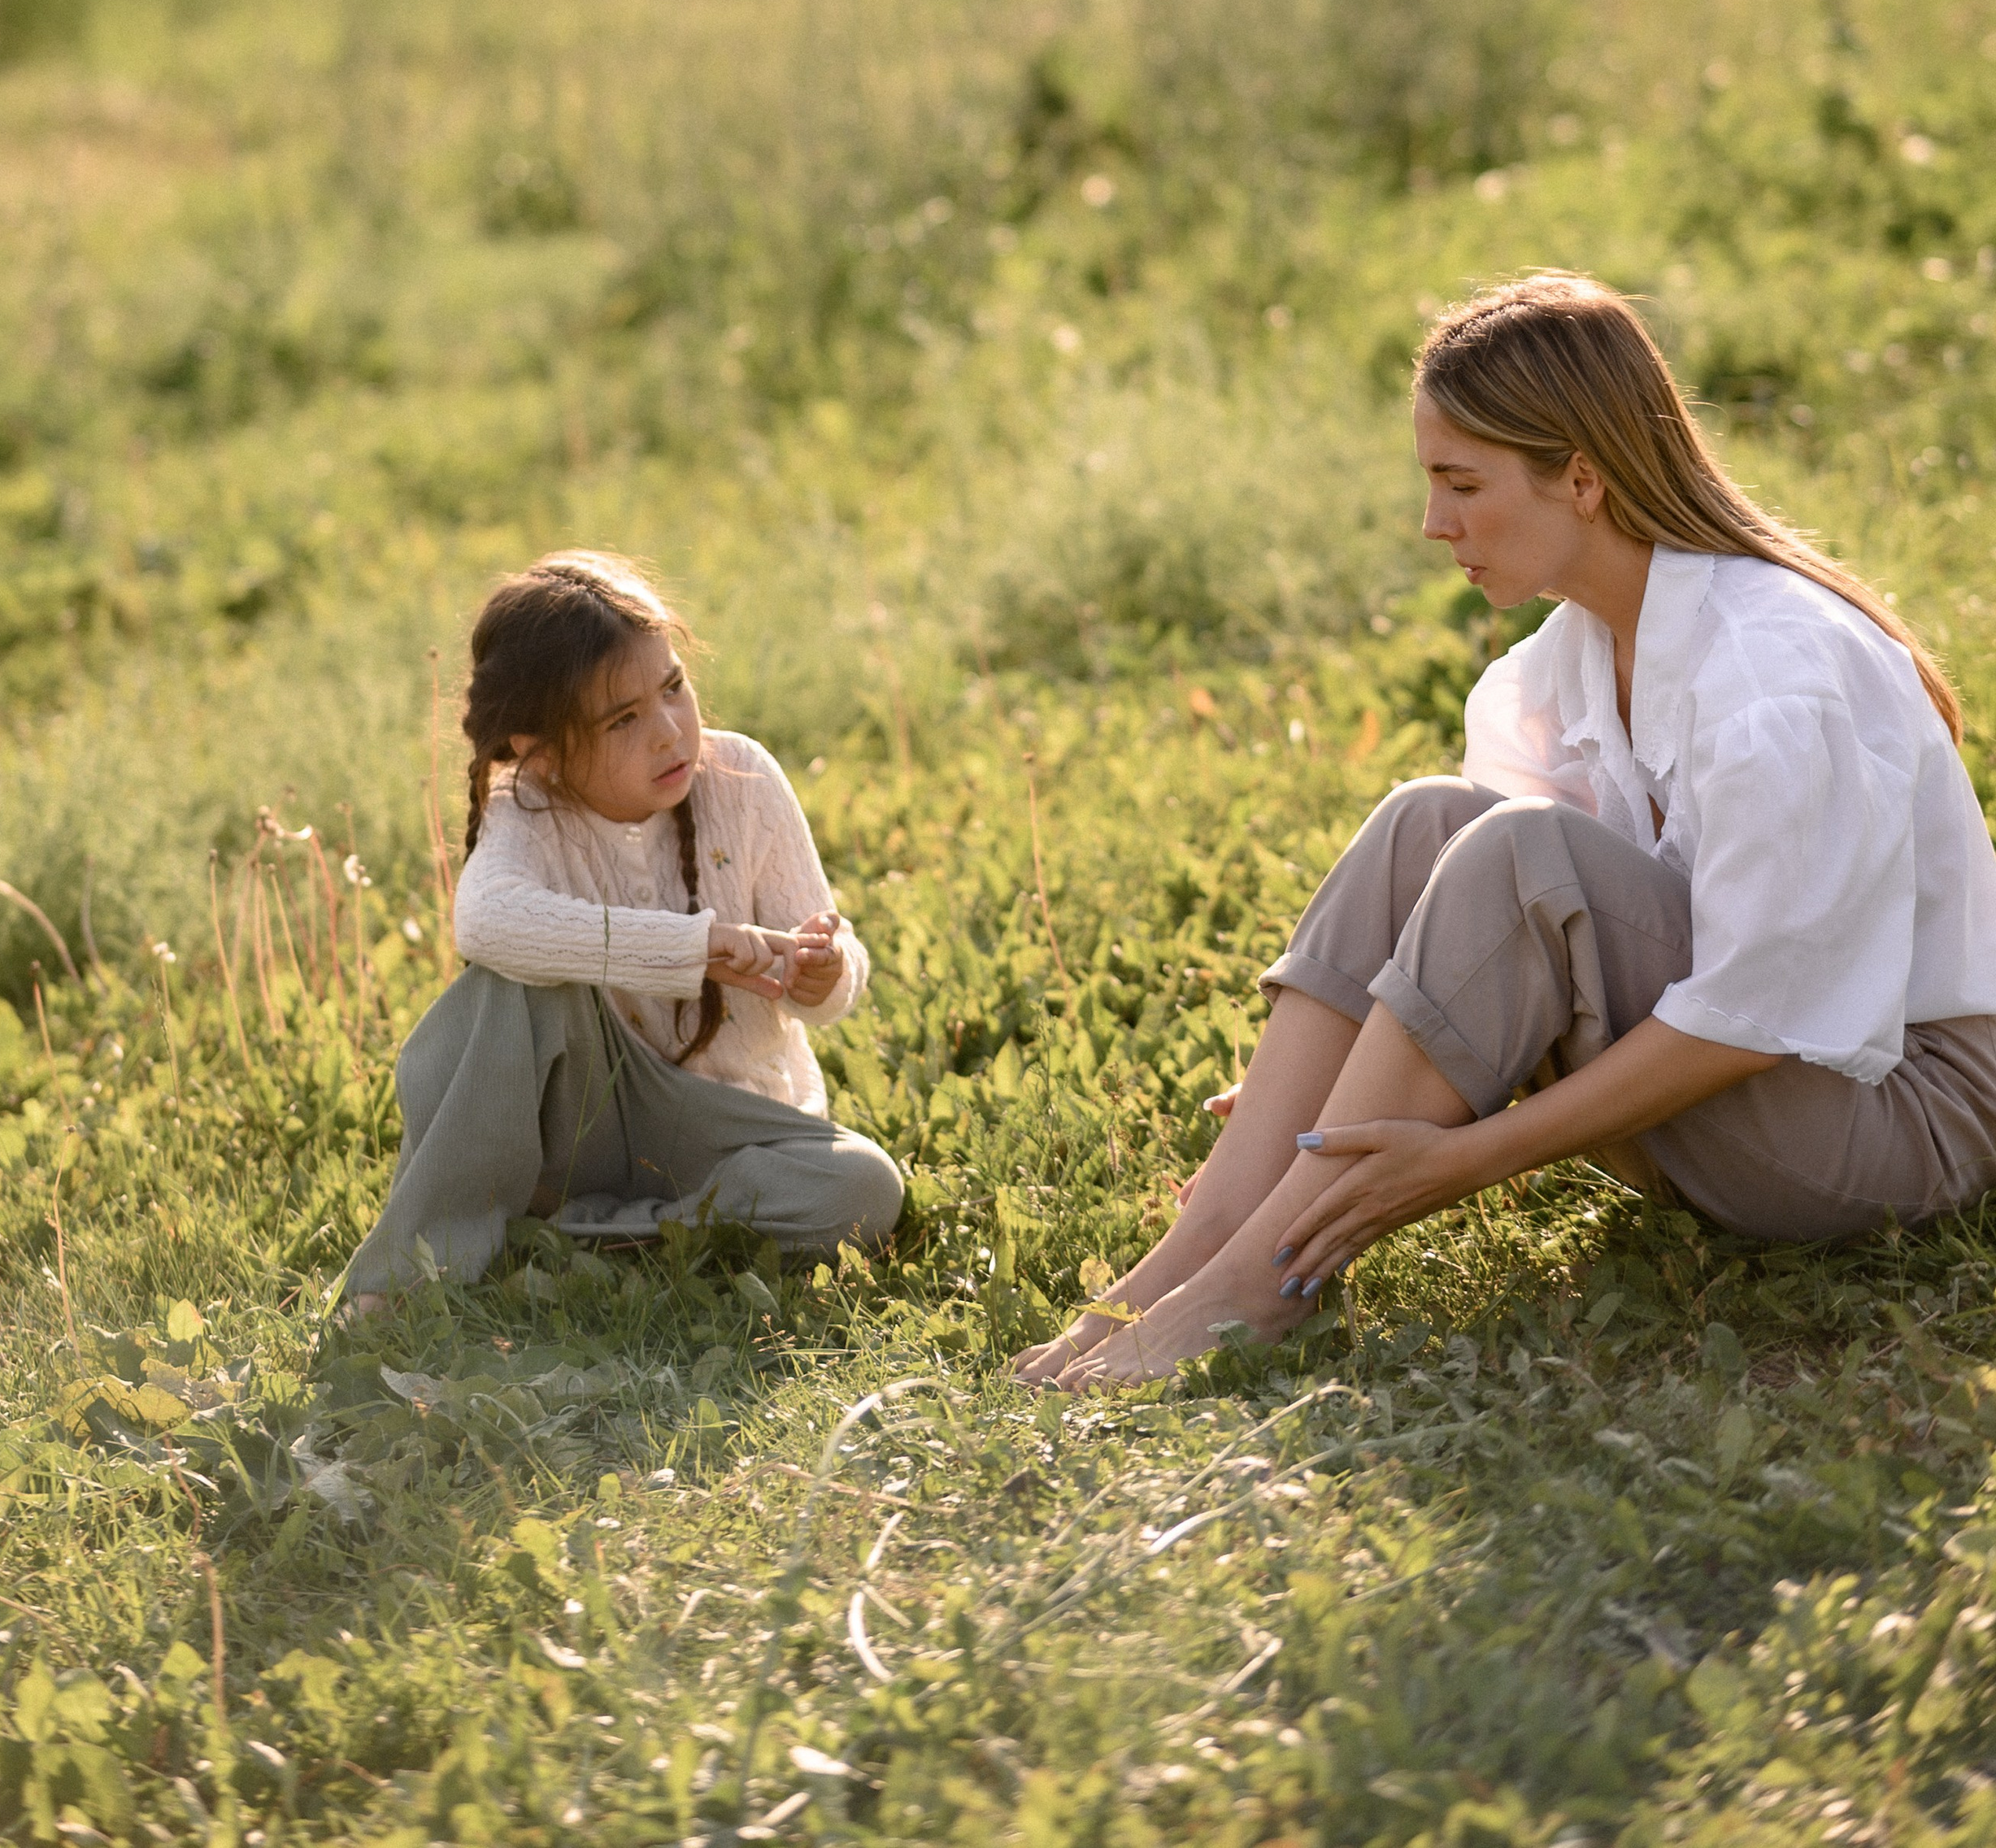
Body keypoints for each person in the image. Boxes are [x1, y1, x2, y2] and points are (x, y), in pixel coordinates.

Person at [1017, 270, 1996, 1390]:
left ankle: (1257, 1288)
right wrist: (1340, 1071)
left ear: (1581, 478)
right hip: (1754, 1106)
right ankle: (1192, 1258)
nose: (1435, 525)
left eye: (1462, 484)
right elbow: (1468, 943)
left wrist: (1460, 1160)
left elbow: (1755, 1023)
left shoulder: (1773, 674)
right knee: (1427, 820)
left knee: (1519, 852)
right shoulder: (1564, 665)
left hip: (1898, 1120)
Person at [341, 551, 902, 1302]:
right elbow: (484, 922)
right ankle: (410, 1277)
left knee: (865, 1187)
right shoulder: (531, 807)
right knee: (506, 988)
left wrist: (826, 974)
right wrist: (694, 946)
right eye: (624, 720)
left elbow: (829, 976)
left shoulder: (744, 778)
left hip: (735, 1132)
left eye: (674, 687)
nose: (670, 732)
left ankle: (592, 1235)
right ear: (539, 754)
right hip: (592, 1123)